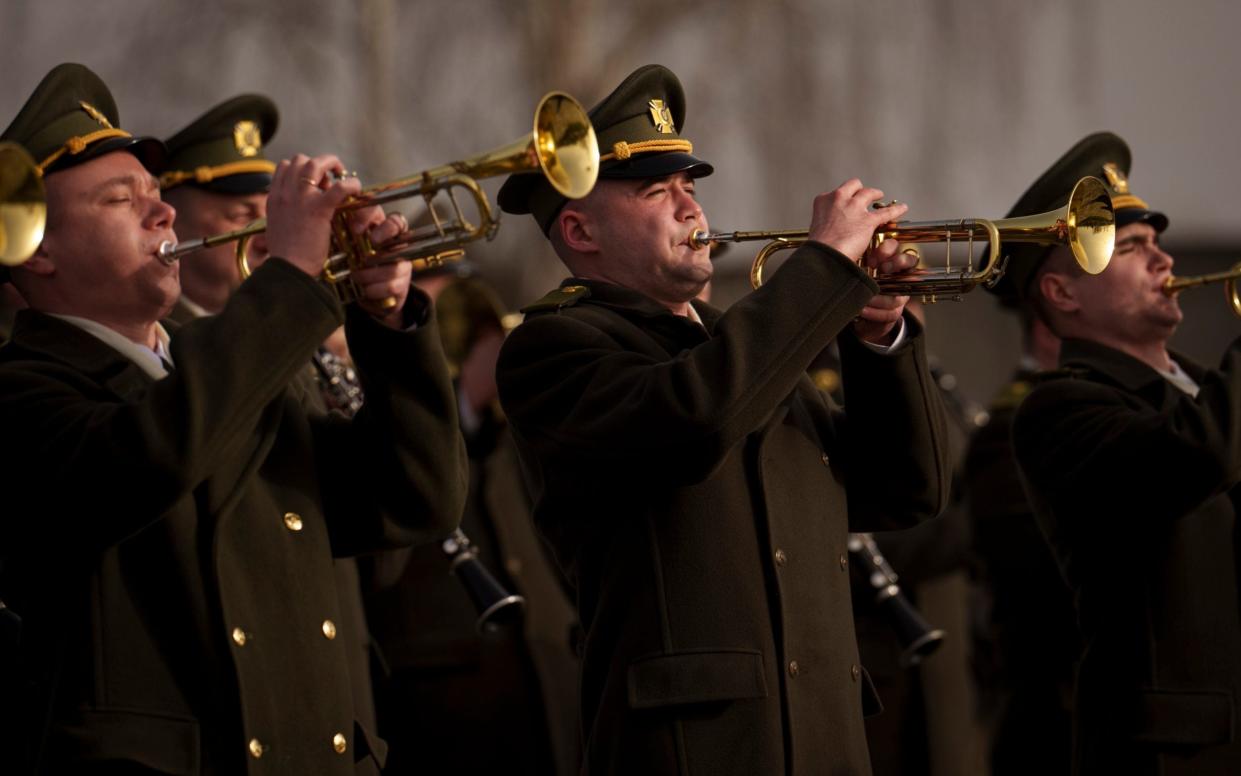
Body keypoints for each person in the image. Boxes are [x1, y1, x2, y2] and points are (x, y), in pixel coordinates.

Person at [0, 63, 467, 774]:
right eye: (120, 200)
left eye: (158, 195)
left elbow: (414, 499)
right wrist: (288, 280)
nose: (163, 216)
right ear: (36, 250)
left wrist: (387, 323)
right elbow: (150, 453)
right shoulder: (24, 389)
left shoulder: (226, 372)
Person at [493, 64, 951, 775]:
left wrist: (877, 338)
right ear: (580, 230)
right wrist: (823, 268)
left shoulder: (751, 351)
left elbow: (902, 491)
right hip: (696, 750)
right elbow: (695, 420)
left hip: (827, 742)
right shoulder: (555, 349)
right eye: (656, 191)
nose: (690, 208)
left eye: (690, 187)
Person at [1007, 131, 1241, 774]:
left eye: (1157, 245)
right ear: (1062, 294)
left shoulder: (1201, 388)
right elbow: (1200, 456)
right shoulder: (1060, 410)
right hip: (1173, 754)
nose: (1163, 261)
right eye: (1133, 247)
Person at [158, 94, 384, 744]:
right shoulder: (175, 353)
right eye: (237, 211)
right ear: (172, 212)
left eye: (268, 209)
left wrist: (386, 321)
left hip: (335, 710)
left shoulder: (300, 344)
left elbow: (389, 536)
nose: (261, 225)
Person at [363, 267, 582, 776]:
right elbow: (422, 477)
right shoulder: (375, 397)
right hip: (448, 704)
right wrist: (463, 396)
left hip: (549, 681)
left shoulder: (511, 433)